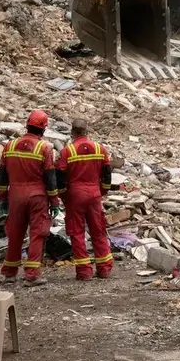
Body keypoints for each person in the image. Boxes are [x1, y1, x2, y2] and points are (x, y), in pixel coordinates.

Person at [0, 109, 59, 285]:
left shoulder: (9, 146)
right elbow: (50, 179)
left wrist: (2, 197)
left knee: (15, 233)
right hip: (37, 196)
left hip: (15, 195)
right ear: (44, 129)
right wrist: (54, 202)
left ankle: (9, 272)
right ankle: (32, 274)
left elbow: (2, 176)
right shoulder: (44, 148)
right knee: (37, 233)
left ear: (27, 125)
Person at [56, 117, 114, 280]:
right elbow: (107, 173)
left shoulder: (67, 151)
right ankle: (104, 269)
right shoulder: (99, 149)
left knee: (77, 233)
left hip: (75, 195)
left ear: (73, 132)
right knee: (98, 231)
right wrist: (101, 191)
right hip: (94, 194)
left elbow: (59, 176)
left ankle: (84, 272)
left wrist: (63, 196)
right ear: (87, 131)